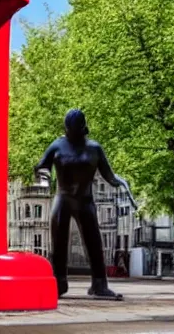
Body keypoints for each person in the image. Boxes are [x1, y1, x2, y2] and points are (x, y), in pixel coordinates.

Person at [34, 109, 123, 299]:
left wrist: (120, 182)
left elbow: (109, 175)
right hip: (63, 199)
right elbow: (42, 167)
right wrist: (44, 177)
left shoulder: (94, 148)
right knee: (59, 243)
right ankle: (59, 283)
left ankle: (99, 284)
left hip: (85, 201)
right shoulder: (57, 146)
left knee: (94, 243)